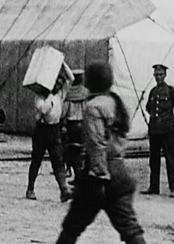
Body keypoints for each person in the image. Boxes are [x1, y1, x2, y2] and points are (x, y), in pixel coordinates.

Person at [55, 63, 146, 244]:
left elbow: (97, 144)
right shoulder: (115, 102)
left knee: (72, 227)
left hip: (98, 176)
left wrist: (99, 175)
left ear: (90, 82)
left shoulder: (93, 107)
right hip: (119, 172)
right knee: (129, 228)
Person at [26, 68, 75, 202]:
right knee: (36, 160)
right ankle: (30, 188)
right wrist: (49, 96)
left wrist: (62, 63)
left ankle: (64, 189)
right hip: (41, 130)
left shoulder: (60, 95)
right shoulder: (40, 97)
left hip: (54, 129)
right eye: (56, 83)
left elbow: (71, 79)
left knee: (58, 161)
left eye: (60, 84)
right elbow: (44, 110)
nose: (59, 86)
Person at [141, 64, 174, 197]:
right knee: (153, 160)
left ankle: (173, 188)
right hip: (154, 131)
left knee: (171, 159)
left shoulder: (171, 91)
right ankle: (154, 187)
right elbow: (149, 108)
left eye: (160, 75)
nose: (158, 77)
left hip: (168, 131)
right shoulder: (152, 92)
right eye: (156, 75)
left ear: (165, 75)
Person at [61, 69, 89, 186]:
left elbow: (63, 113)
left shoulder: (68, 94)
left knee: (72, 152)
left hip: (72, 125)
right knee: (83, 151)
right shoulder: (86, 93)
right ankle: (82, 175)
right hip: (83, 124)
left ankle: (78, 175)